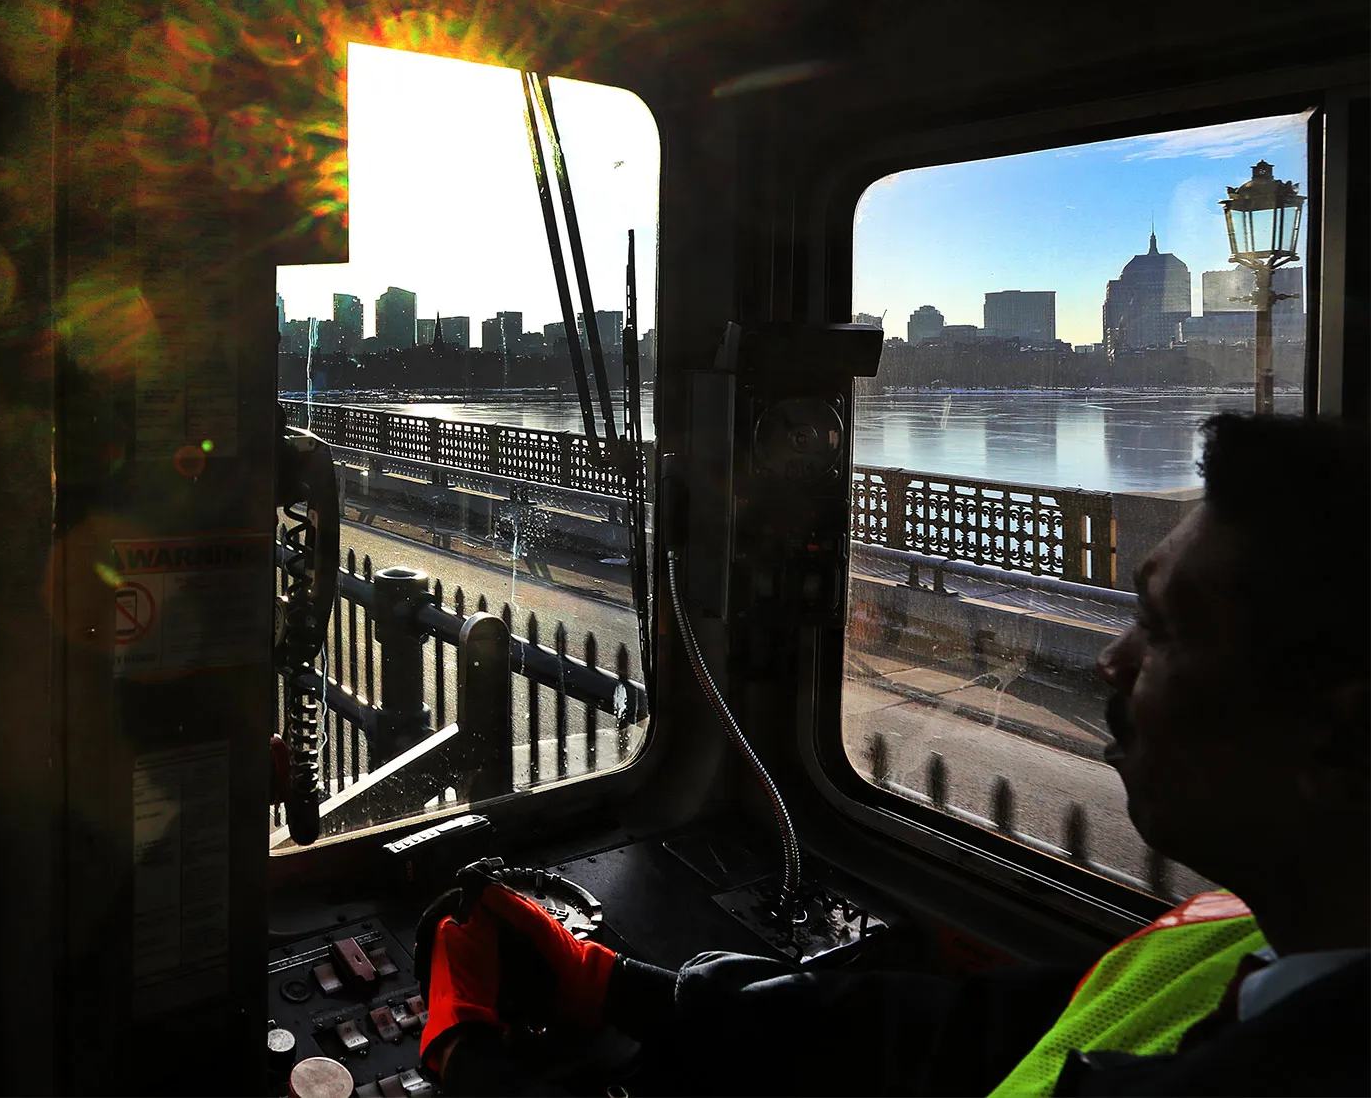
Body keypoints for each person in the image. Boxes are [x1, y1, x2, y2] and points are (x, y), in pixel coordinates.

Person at [418, 413, 1368, 1096]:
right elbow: (950, 1040)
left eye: (1162, 630)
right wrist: (621, 987)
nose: (1113, 660)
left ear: (1336, 729)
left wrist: (475, 1067)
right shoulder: (1223, 939)